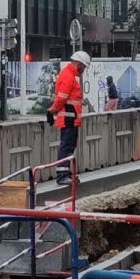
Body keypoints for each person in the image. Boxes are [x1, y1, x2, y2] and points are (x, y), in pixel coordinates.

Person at [47, 51, 92, 185]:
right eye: (83, 67)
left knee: (69, 146)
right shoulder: (68, 76)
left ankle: (66, 173)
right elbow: (62, 97)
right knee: (66, 146)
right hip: (68, 118)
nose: (83, 70)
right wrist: (53, 110)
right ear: (78, 63)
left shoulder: (70, 75)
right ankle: (62, 175)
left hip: (71, 118)